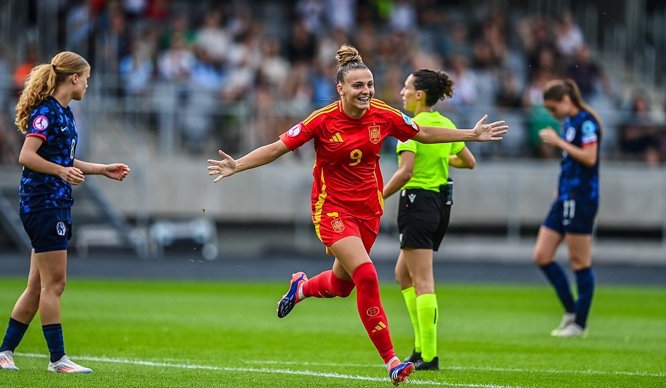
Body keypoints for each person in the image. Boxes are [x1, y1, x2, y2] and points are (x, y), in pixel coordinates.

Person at [208, 44, 506, 385]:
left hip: (369, 211)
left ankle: (301, 288)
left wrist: (470, 134)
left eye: (370, 85)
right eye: (358, 86)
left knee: (340, 285)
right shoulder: (321, 120)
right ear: (341, 89)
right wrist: (238, 165)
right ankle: (392, 361)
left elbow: (421, 133)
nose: (366, 91)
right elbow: (277, 147)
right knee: (367, 274)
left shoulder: (383, 114)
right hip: (331, 209)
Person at [0, 51, 130, 373]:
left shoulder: (65, 113)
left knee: (38, 285)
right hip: (43, 203)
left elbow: (64, 159)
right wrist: (60, 173)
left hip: (56, 202)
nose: (88, 86)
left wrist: (101, 169)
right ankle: (58, 359)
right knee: (56, 284)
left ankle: (4, 351)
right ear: (74, 78)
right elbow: (27, 155)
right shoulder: (47, 113)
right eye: (87, 80)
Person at [382, 69, 476, 371]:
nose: (402, 92)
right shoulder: (445, 124)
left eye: (406, 87)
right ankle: (421, 348)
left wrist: (378, 195)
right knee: (403, 275)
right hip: (439, 203)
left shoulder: (411, 125)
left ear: (419, 94)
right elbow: (468, 162)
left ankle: (430, 355)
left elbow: (405, 171)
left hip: (416, 202)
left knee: (422, 280)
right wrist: (439, 158)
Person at [534, 78, 601, 338]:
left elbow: (589, 157)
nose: (552, 114)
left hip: (582, 198)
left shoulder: (586, 121)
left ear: (565, 100)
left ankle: (579, 324)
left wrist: (559, 143)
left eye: (553, 108)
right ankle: (572, 310)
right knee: (542, 255)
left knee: (580, 261)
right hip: (563, 197)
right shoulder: (568, 123)